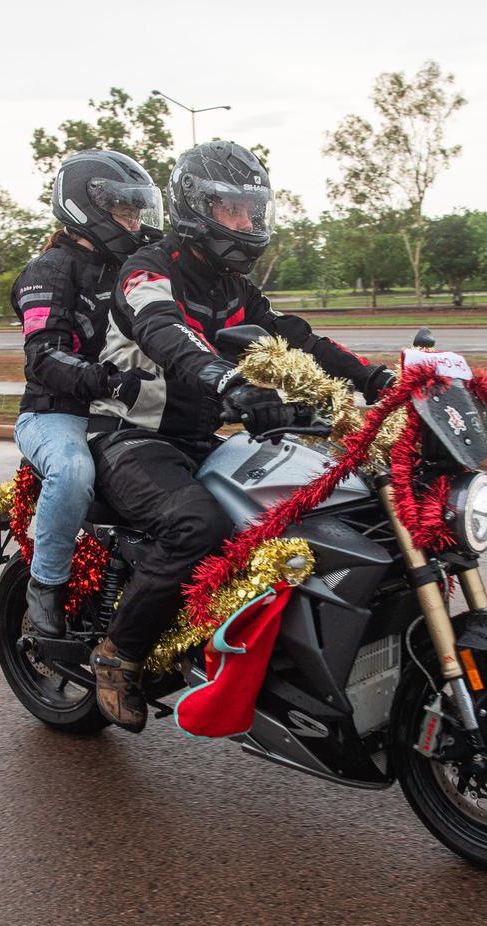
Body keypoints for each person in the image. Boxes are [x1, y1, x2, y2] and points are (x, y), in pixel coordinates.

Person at [87, 140, 396, 733]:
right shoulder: (148, 270)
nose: (247, 223)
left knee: (297, 502)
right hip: (129, 436)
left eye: (253, 210)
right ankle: (116, 656)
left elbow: (293, 339)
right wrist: (225, 380)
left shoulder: (233, 287)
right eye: (233, 210)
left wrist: (375, 378)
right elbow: (164, 331)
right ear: (195, 207)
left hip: (203, 440)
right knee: (197, 523)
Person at [12, 149, 164, 638]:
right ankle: (46, 586)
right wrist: (111, 380)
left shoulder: (130, 264)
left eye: (138, 209)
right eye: (124, 210)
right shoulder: (50, 269)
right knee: (73, 471)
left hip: (119, 409)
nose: (135, 220)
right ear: (86, 208)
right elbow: (45, 358)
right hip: (56, 414)